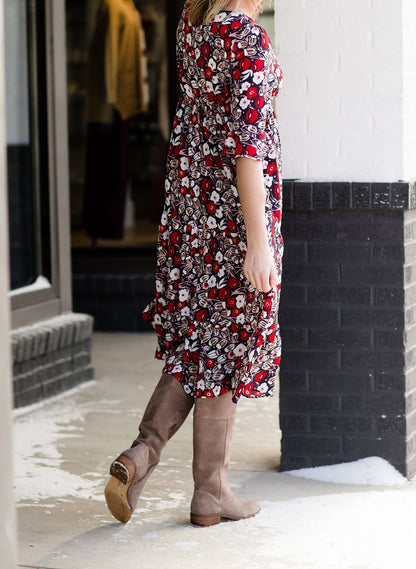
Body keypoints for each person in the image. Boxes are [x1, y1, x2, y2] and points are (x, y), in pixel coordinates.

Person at [104, 0, 284, 527]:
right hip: (233, 215)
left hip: (193, 211)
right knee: (224, 347)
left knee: (201, 343)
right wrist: (259, 241)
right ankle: (211, 493)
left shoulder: (192, 22)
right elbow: (248, 148)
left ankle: (141, 456)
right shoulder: (242, 34)